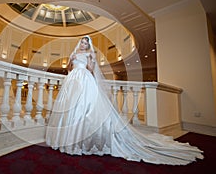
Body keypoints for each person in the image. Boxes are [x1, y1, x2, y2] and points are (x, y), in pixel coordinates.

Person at [45, 36, 203, 165]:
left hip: (85, 79)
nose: (84, 44)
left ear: (88, 45)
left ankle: (87, 140)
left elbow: (92, 70)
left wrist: (91, 61)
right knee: (71, 108)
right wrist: (70, 64)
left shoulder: (89, 54)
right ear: (79, 43)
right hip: (73, 80)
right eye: (82, 42)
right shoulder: (73, 54)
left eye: (86, 43)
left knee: (86, 108)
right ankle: (70, 138)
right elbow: (68, 68)